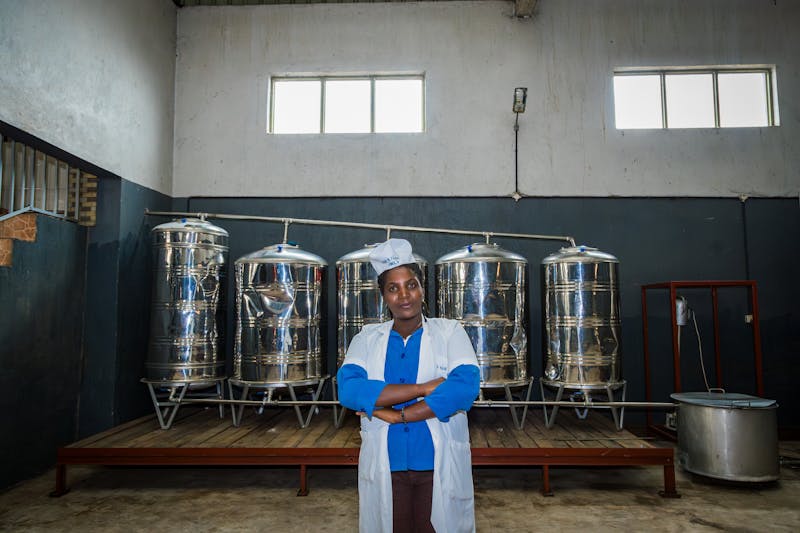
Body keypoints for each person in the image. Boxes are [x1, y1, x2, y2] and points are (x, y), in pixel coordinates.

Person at [337, 238, 480, 533]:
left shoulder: (449, 332)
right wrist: (423, 389)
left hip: (437, 465)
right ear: (383, 296)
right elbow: (349, 390)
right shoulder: (366, 338)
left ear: (422, 288)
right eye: (393, 288)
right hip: (386, 466)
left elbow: (464, 387)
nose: (404, 295)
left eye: (411, 285)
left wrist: (396, 413)